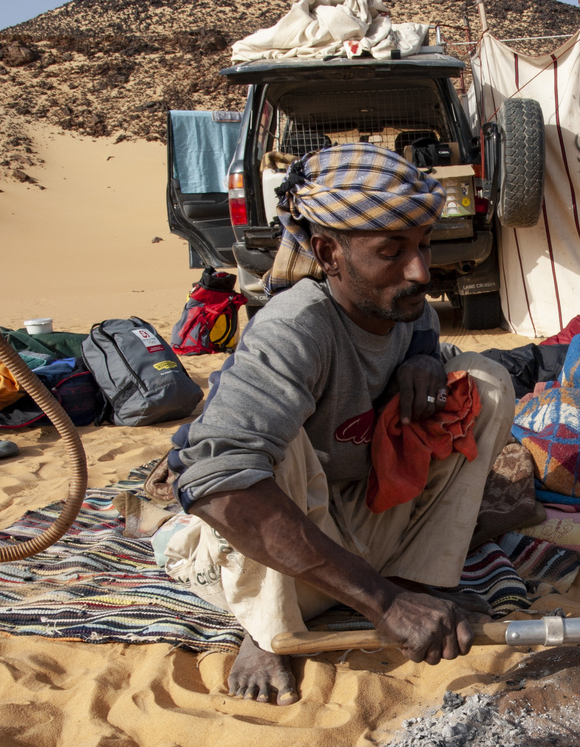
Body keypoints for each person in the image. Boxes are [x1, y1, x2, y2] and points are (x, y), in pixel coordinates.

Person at [159, 144, 516, 703]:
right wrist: (383, 605)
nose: (419, 270)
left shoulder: (406, 306)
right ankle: (266, 628)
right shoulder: (296, 328)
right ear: (329, 252)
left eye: (424, 246)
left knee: (484, 381)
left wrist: (425, 358)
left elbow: (424, 330)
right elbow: (217, 485)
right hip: (273, 546)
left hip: (353, 521)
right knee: (273, 445)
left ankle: (420, 582)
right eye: (392, 251)